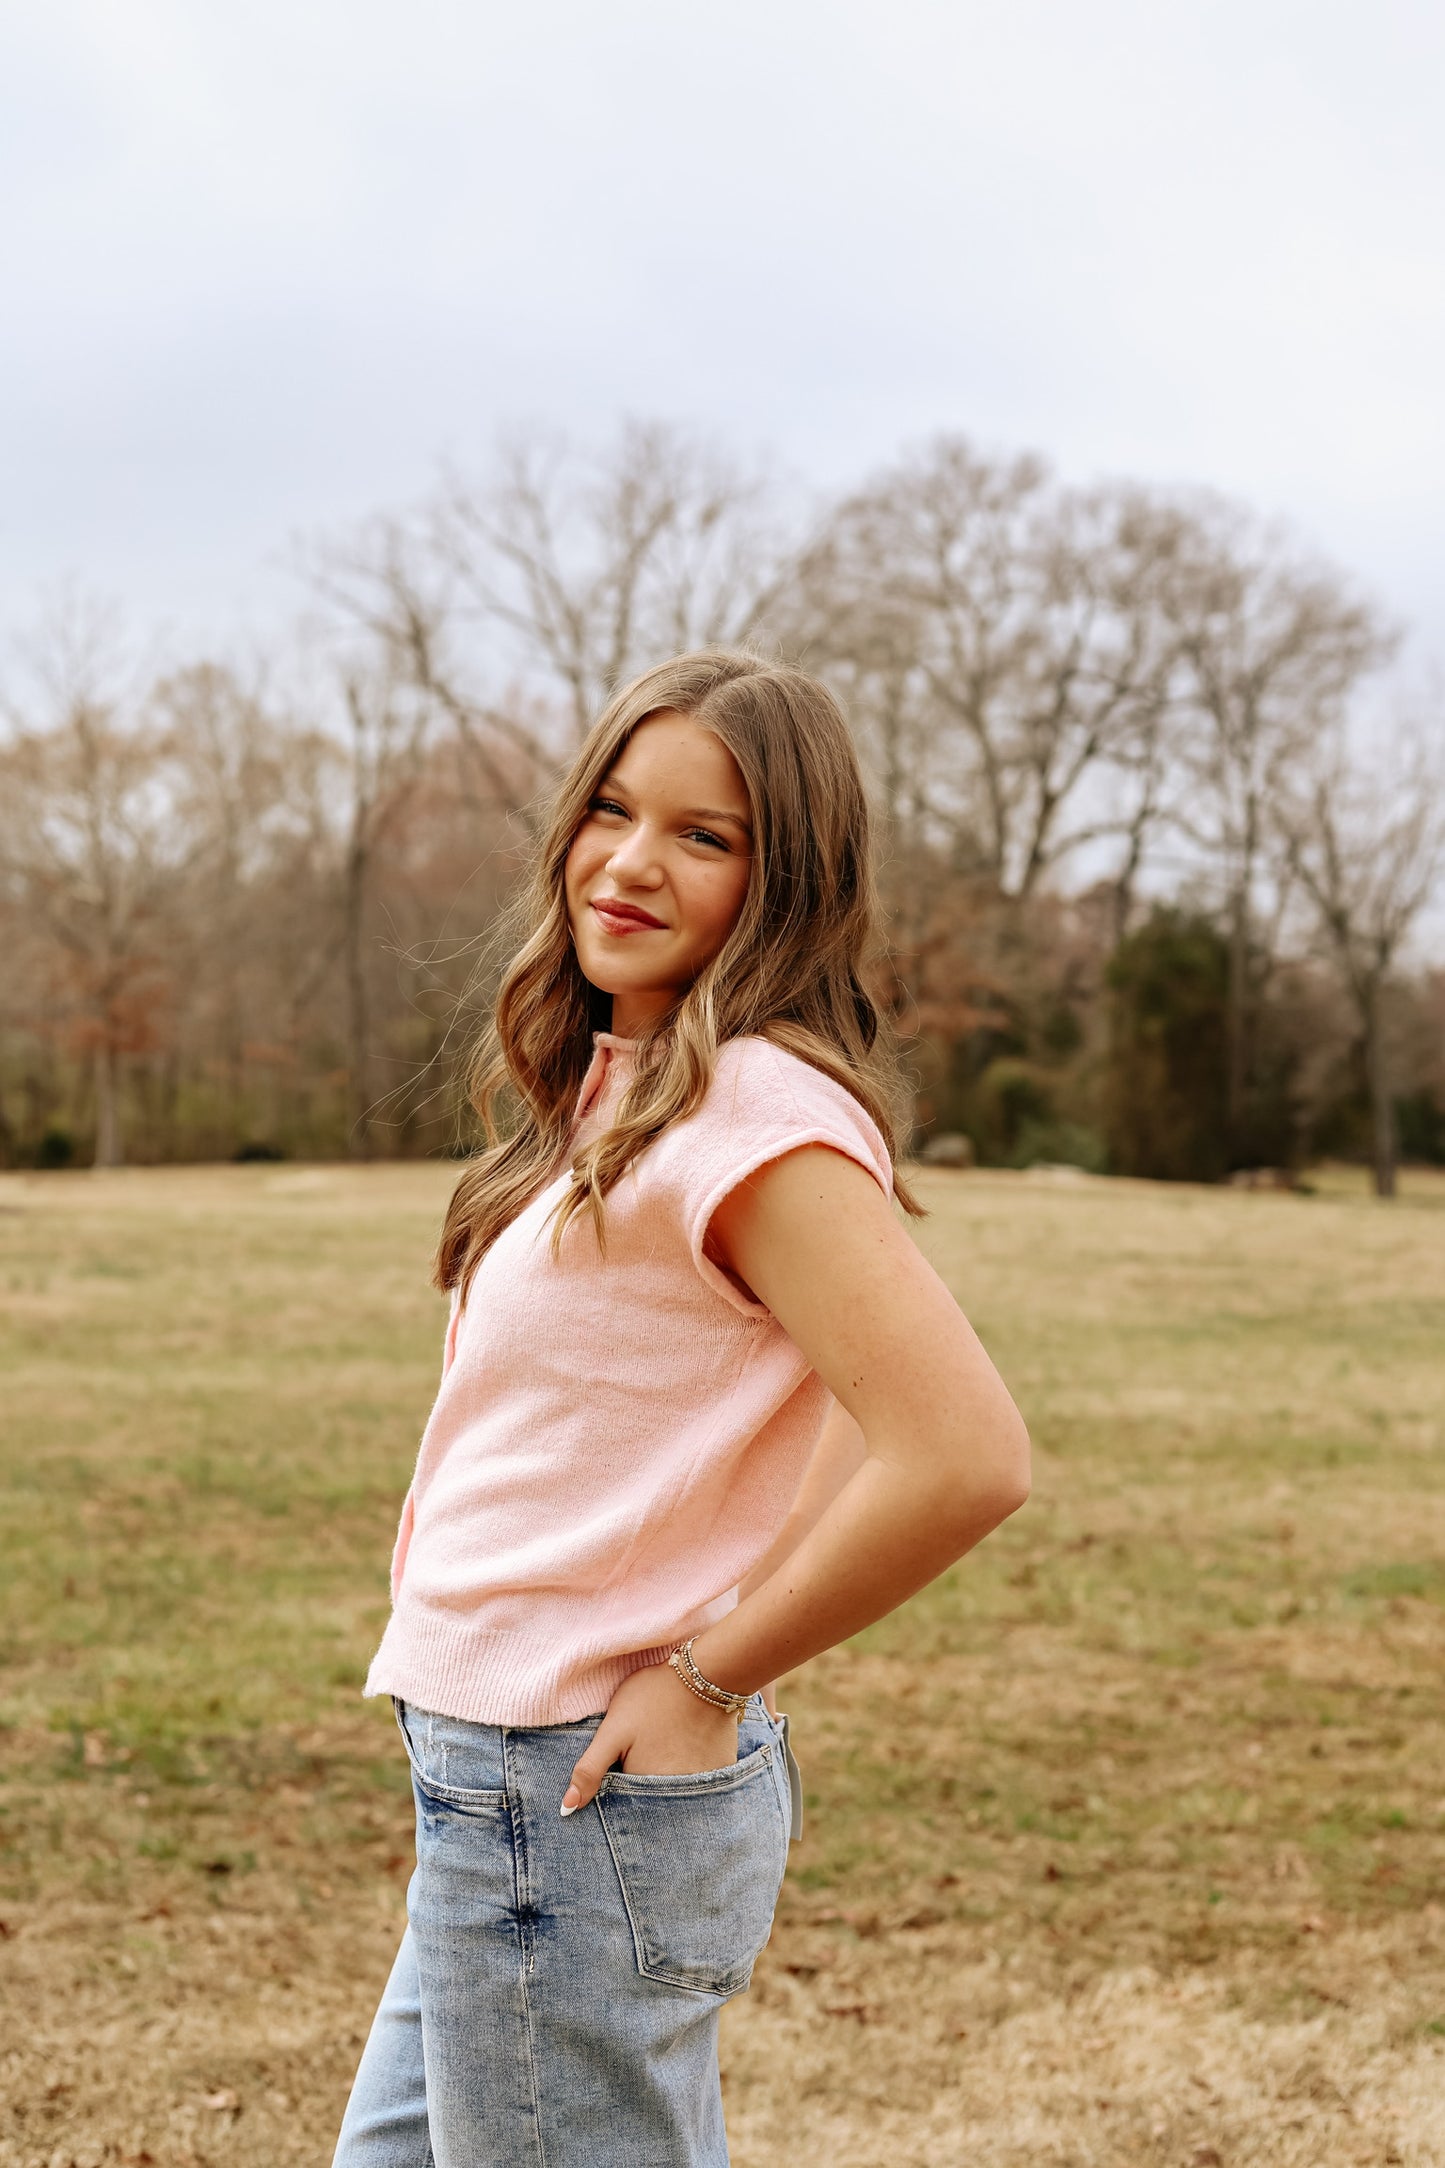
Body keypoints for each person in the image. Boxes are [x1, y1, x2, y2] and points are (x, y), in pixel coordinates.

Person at [332, 649, 1030, 2168]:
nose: (630, 862)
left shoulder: (750, 1116)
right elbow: (829, 1398)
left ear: (786, 884)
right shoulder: (640, 1081)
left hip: (563, 1785)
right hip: (503, 1774)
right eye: (611, 808)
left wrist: (710, 1668)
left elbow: (963, 1452)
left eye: (704, 837)